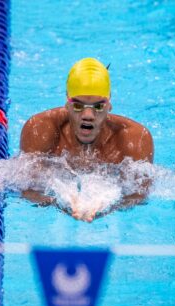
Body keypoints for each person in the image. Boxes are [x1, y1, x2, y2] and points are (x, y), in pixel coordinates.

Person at [20, 57, 154, 221]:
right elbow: (27, 189)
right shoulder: (40, 129)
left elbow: (139, 194)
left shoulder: (134, 138)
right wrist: (60, 203)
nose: (88, 116)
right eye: (78, 105)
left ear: (109, 105)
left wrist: (108, 205)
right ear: (67, 104)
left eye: (98, 106)